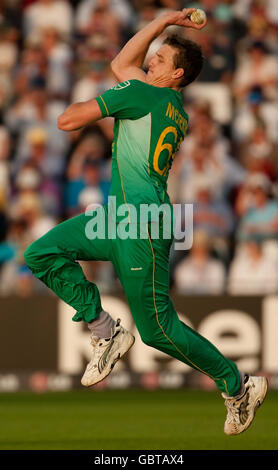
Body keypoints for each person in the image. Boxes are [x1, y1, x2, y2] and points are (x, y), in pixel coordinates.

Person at [24, 8, 267, 436]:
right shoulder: (169, 104)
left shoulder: (140, 95)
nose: (148, 60)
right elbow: (122, 65)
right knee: (41, 252)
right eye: (150, 56)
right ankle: (105, 330)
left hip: (141, 225)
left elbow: (67, 120)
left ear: (175, 75)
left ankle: (239, 384)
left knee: (157, 329)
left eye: (158, 59)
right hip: (117, 220)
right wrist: (165, 21)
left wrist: (111, 94)